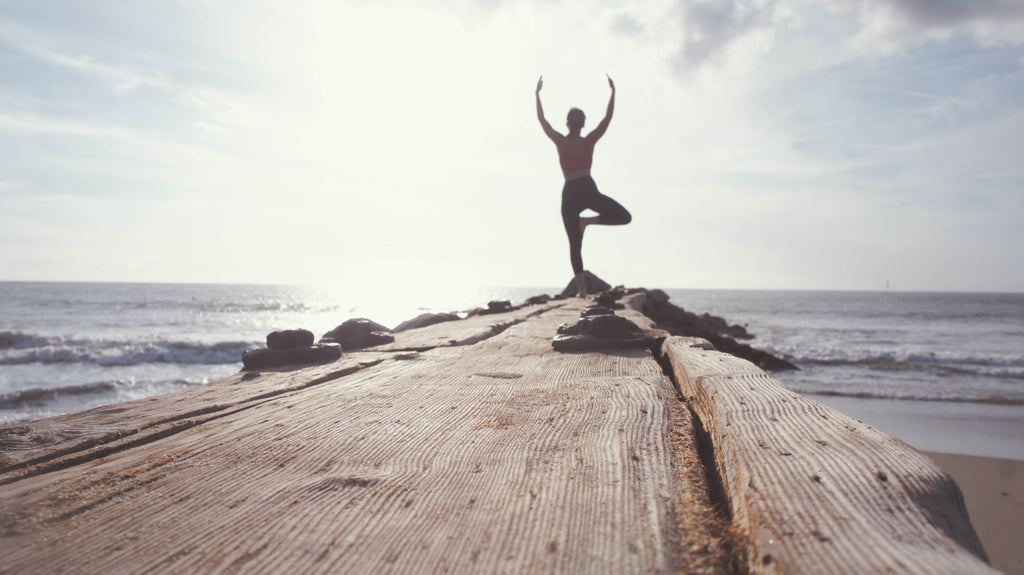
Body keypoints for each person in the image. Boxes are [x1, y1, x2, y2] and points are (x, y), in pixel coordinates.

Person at [536, 74, 631, 297]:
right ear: (583, 123)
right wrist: (613, 94)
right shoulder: (589, 141)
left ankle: (582, 292)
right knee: (624, 217)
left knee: (574, 244)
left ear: (568, 123)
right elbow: (607, 119)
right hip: (587, 189)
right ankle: (588, 222)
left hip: (570, 192)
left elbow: (543, 121)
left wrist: (537, 95)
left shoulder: (561, 141)